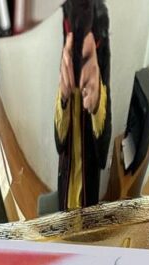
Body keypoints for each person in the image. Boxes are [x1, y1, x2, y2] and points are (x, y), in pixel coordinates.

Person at [54, 0, 111, 212]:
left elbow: (102, 152)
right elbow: (59, 142)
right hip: (65, 189)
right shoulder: (64, 78)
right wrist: (64, 97)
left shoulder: (100, 85)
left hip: (89, 193)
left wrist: (96, 104)